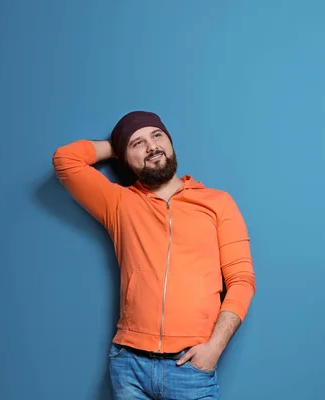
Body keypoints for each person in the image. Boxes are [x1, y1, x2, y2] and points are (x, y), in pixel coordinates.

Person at [52, 111, 256, 399]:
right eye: (137, 143)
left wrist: (215, 348)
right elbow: (65, 160)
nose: (151, 147)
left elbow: (242, 280)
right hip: (129, 365)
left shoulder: (217, 203)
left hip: (191, 367)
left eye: (157, 136)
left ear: (170, 142)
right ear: (125, 158)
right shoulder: (119, 204)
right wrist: (116, 144)